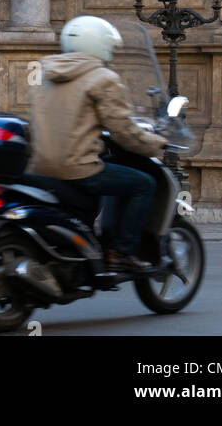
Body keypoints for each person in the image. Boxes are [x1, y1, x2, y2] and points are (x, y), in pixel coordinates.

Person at [28, 15, 168, 273]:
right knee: (143, 184)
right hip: (77, 168)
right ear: (99, 44)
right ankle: (122, 252)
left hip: (38, 167)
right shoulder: (102, 78)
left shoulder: (44, 74)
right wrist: (157, 144)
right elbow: (123, 131)